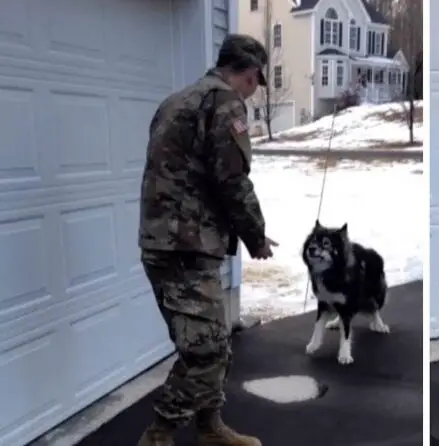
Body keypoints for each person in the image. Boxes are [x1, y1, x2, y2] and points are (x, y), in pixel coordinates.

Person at [136, 34, 276, 446]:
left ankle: (209, 427)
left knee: (210, 342)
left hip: (163, 244)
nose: (254, 89)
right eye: (256, 80)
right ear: (250, 73)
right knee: (206, 352)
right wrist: (256, 236)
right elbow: (232, 180)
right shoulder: (225, 102)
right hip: (187, 248)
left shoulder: (175, 101)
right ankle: (158, 436)